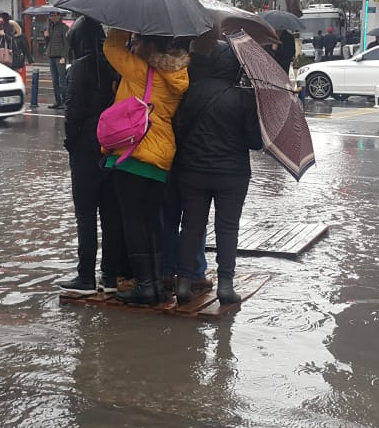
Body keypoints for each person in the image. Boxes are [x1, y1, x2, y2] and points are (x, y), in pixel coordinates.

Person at [102, 28, 191, 306]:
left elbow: (111, 48)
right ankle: (156, 284)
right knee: (152, 221)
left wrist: (121, 25)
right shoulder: (178, 75)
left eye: (138, 41)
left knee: (133, 221)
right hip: (162, 154)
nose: (134, 44)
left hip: (136, 151)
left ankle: (144, 286)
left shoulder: (140, 71)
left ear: (149, 45)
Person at [172, 41, 262, 306]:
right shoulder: (244, 97)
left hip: (193, 171)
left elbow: (178, 129)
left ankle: (183, 283)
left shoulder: (193, 90)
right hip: (232, 175)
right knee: (228, 228)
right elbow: (256, 142)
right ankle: (225, 285)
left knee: (191, 226)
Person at [57, 17, 126, 296]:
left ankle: (85, 276)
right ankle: (109, 277)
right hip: (113, 147)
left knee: (85, 215)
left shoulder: (79, 68)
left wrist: (70, 142)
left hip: (85, 150)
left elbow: (72, 113)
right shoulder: (117, 66)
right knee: (111, 214)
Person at [43, 11, 70, 109]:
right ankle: (58, 101)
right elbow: (48, 43)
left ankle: (65, 101)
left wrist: (64, 57)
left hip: (60, 57)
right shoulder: (49, 27)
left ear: (59, 16)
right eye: (51, 16)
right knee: (55, 81)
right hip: (51, 56)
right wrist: (46, 37)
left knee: (61, 81)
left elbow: (67, 44)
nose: (53, 17)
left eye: (55, 15)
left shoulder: (63, 27)